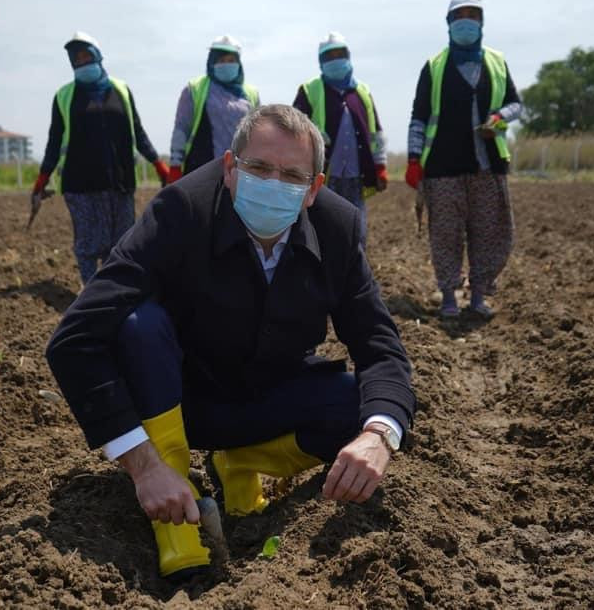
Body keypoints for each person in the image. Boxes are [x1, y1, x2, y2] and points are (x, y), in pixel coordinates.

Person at [46, 104, 416, 581]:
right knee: (139, 323)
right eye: (259, 168)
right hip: (182, 399)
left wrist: (377, 437)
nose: (273, 183)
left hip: (271, 393)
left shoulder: (338, 229)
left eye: (292, 176)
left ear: (313, 190)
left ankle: (237, 463)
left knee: (362, 407)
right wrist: (144, 467)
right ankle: (174, 513)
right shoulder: (181, 211)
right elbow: (74, 339)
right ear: (229, 168)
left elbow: (379, 346)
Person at [404, 0, 522, 318]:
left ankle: (479, 295)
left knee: (487, 231)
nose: (466, 23)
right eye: (460, 17)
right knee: (446, 233)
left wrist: (499, 118)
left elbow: (517, 104)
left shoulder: (497, 63)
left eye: (473, 16)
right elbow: (419, 116)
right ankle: (449, 297)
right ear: (449, 23)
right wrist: (414, 159)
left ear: (482, 23)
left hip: (487, 166)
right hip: (443, 167)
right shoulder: (434, 67)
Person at [31, 32, 171, 285]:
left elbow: (137, 132)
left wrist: (158, 165)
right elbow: (54, 141)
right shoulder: (64, 96)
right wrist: (43, 177)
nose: (83, 62)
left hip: (119, 181)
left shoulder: (121, 90)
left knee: (121, 242)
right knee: (87, 241)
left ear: (98, 56)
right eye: (77, 58)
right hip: (80, 184)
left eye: (87, 56)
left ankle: (112, 290)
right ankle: (89, 290)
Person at [293, 32, 387, 248]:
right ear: (321, 62)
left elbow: (376, 132)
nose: (335, 60)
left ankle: (353, 272)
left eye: (339, 54)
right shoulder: (310, 90)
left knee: (356, 228)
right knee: (322, 228)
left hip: (356, 174)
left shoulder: (361, 91)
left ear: (348, 57)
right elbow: (294, 127)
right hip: (323, 176)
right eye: (329, 56)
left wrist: (380, 165)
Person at [166, 35, 259, 184]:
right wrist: (175, 164)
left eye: (231, 61)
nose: (226, 65)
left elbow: (258, 131)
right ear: (212, 62)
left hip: (240, 171)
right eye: (221, 60)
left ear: (238, 63)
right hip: (202, 169)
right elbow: (181, 128)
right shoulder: (195, 88)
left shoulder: (251, 93)